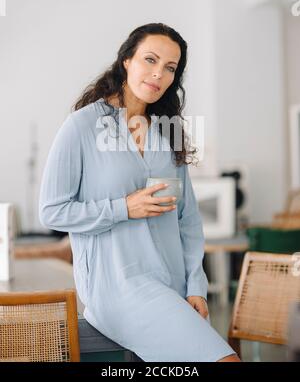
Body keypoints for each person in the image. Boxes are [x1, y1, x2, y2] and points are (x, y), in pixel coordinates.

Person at [39, 22, 240, 362]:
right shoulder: (82, 127)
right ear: (127, 61)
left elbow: (187, 219)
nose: (158, 73)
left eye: (170, 68)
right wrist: (123, 208)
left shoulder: (168, 132)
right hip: (120, 289)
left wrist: (196, 286)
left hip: (174, 287)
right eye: (150, 59)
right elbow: (53, 211)